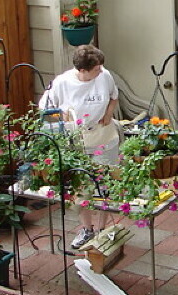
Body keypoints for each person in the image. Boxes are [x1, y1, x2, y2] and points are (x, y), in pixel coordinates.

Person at [38, 45, 119, 249]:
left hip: (103, 137)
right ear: (82, 70)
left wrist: (109, 114)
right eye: (96, 69)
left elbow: (114, 96)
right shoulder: (62, 83)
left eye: (101, 67)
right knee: (81, 188)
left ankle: (103, 231)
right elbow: (45, 110)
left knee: (105, 185)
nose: (100, 71)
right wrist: (61, 118)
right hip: (77, 142)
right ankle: (87, 229)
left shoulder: (105, 75)